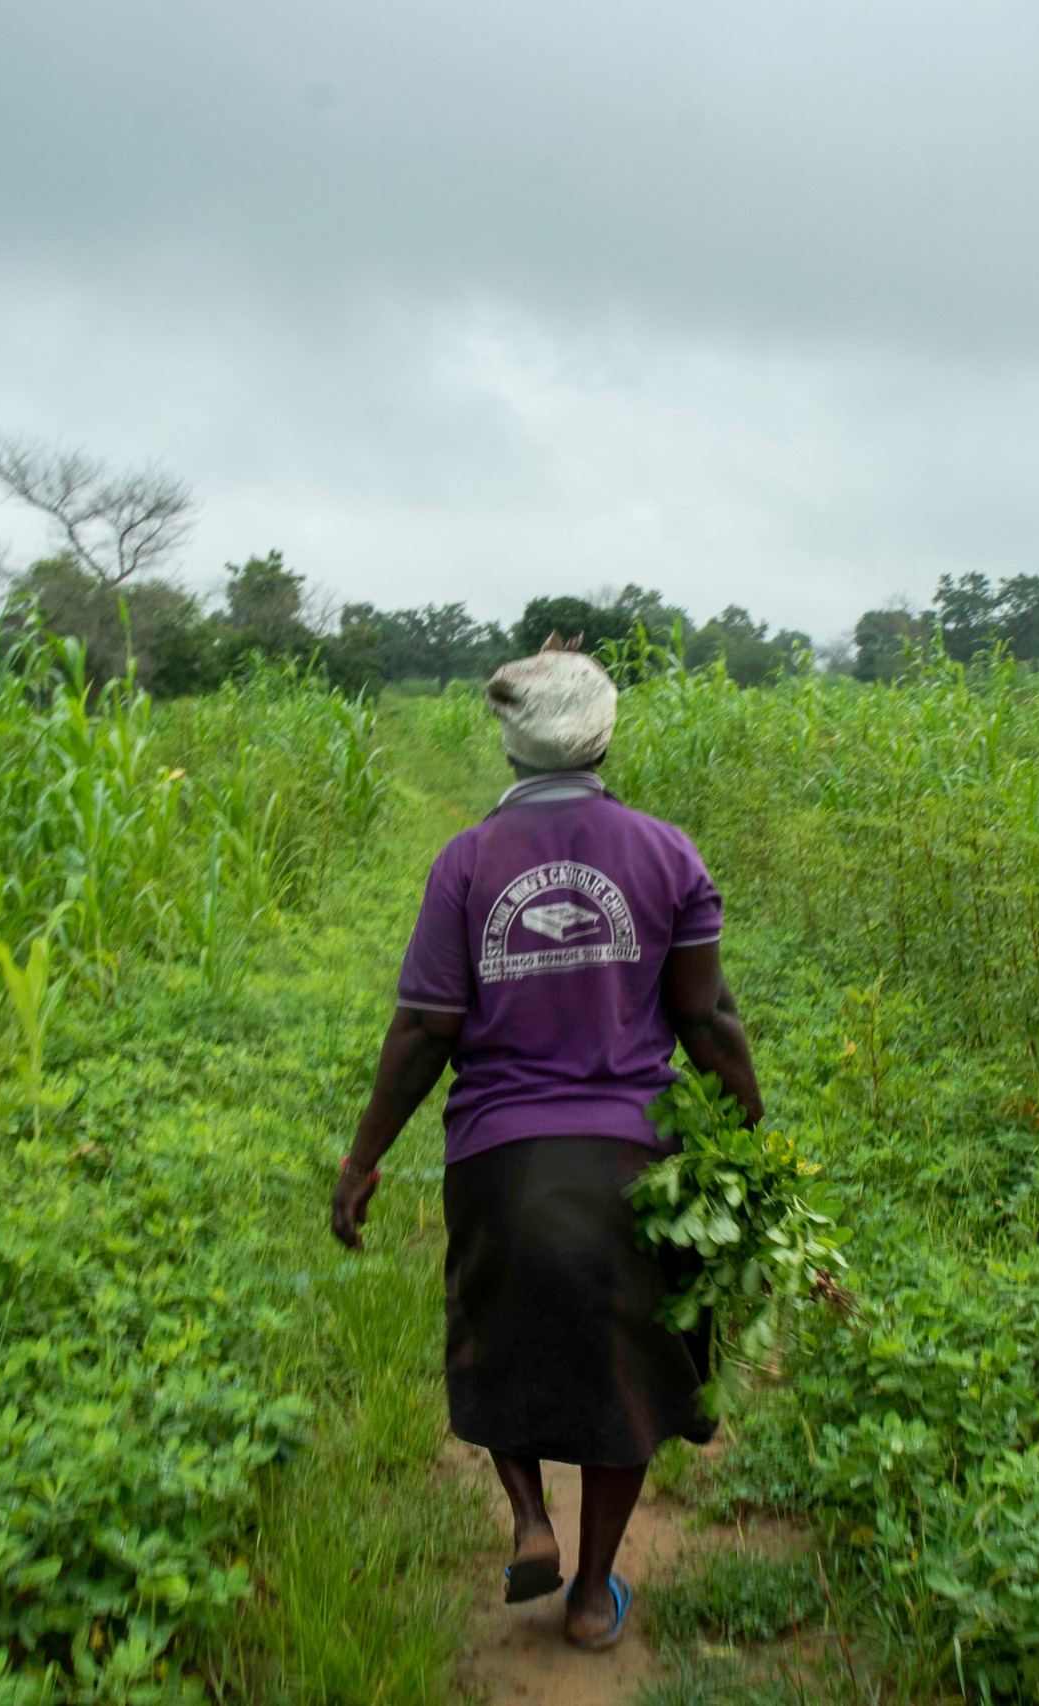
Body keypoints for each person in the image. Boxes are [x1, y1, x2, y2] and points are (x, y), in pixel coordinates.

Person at [329, 645, 763, 1653]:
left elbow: (423, 1030)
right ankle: (591, 1589)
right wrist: (749, 1132)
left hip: (499, 1155)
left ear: (509, 742)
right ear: (603, 734)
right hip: (634, 1161)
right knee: (627, 1370)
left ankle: (528, 1516)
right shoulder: (666, 853)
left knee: (501, 1335)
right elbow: (706, 1020)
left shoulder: (466, 863)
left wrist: (361, 1159)